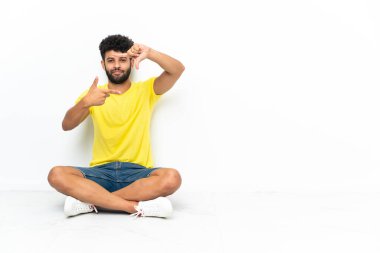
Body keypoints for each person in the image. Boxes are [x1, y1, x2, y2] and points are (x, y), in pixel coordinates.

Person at [47, 34, 185, 218]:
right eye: (111, 60)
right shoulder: (93, 95)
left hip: (137, 174)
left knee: (172, 178)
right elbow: (67, 125)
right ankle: (133, 207)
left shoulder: (146, 90)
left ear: (131, 61)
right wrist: (85, 102)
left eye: (123, 60)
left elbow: (177, 70)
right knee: (56, 174)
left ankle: (92, 202)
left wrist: (150, 53)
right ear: (103, 65)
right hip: (100, 173)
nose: (117, 65)